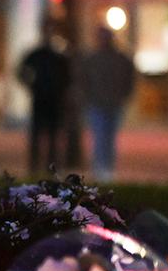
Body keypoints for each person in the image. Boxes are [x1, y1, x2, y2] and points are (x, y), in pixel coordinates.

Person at [78, 28, 136, 183]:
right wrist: (87, 97)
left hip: (114, 104)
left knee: (109, 138)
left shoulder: (121, 59)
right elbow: (83, 80)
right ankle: (99, 169)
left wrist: (124, 95)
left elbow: (130, 78)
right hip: (96, 104)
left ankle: (108, 169)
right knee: (99, 137)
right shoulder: (92, 59)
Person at [17, 20, 71, 175]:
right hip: (39, 99)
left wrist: (62, 91)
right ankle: (34, 168)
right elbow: (21, 72)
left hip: (55, 101)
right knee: (36, 136)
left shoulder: (59, 57)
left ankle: (51, 169)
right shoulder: (36, 54)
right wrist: (32, 87)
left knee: (53, 138)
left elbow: (68, 78)